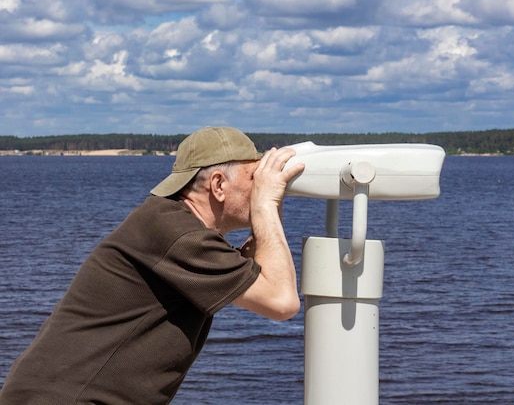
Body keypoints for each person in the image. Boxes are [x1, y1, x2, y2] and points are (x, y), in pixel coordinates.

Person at [0, 126, 305, 404]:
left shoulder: (171, 224)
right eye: (254, 178)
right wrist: (265, 205)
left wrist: (264, 211)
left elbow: (259, 273)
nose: (261, 187)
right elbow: (281, 302)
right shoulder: (180, 236)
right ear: (218, 185)